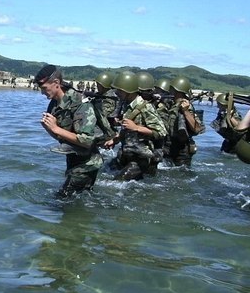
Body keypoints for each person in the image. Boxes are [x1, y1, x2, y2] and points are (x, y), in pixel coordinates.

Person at [36, 64, 103, 198]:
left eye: (44, 88)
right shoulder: (55, 104)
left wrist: (56, 128)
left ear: (56, 83)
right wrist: (50, 130)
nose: (42, 92)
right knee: (73, 202)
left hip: (87, 165)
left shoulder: (80, 103)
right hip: (73, 163)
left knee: (60, 200)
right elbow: (63, 138)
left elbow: (87, 141)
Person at [104, 72, 167, 180]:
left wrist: (136, 128)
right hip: (127, 154)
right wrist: (114, 140)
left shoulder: (145, 107)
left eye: (120, 90)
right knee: (105, 171)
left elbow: (161, 132)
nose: (117, 93)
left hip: (141, 159)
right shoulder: (128, 106)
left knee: (118, 182)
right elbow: (126, 129)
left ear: (128, 91)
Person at [164, 76, 205, 166]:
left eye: (172, 89)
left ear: (178, 91)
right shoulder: (170, 104)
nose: (170, 91)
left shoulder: (187, 106)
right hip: (168, 146)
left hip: (182, 149)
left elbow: (197, 128)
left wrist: (185, 111)